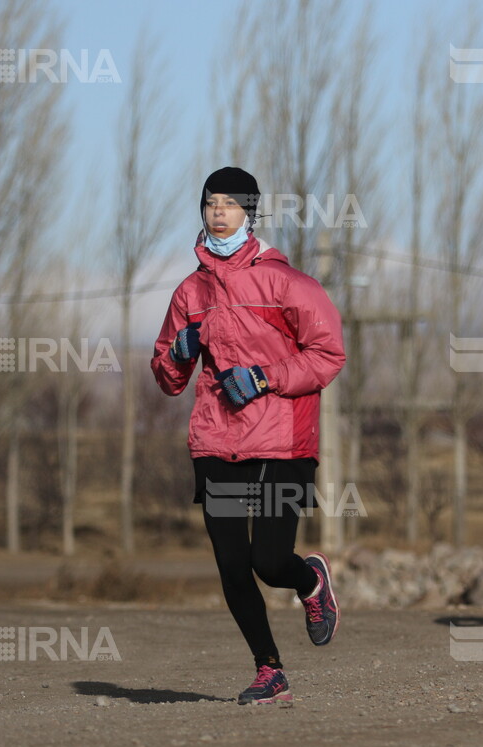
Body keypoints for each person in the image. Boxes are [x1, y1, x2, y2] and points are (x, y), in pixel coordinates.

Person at [151, 167, 347, 705]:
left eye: (230, 204)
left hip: (282, 441)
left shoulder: (289, 283)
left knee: (268, 560)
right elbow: (167, 378)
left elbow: (329, 355)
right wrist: (180, 352)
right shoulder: (189, 292)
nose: (218, 212)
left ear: (250, 213)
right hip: (218, 441)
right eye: (211, 202)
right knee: (233, 566)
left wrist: (265, 377)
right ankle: (270, 671)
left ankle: (308, 581)